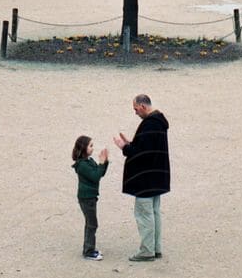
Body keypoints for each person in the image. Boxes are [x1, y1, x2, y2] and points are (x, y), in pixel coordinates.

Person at [113, 94, 169, 262]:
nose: (135, 113)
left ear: (143, 106)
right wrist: (132, 144)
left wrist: (125, 147)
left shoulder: (149, 125)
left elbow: (141, 154)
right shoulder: (159, 123)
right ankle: (155, 248)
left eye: (136, 109)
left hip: (145, 179)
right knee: (154, 213)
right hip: (157, 176)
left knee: (144, 214)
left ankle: (147, 251)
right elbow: (145, 147)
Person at [71, 135, 109, 260]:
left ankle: (89, 248)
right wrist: (102, 163)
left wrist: (104, 162)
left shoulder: (89, 161)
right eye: (90, 146)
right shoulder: (82, 165)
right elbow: (95, 176)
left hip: (91, 197)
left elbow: (100, 172)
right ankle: (88, 250)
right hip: (86, 198)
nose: (93, 148)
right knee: (92, 224)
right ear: (83, 148)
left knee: (91, 223)